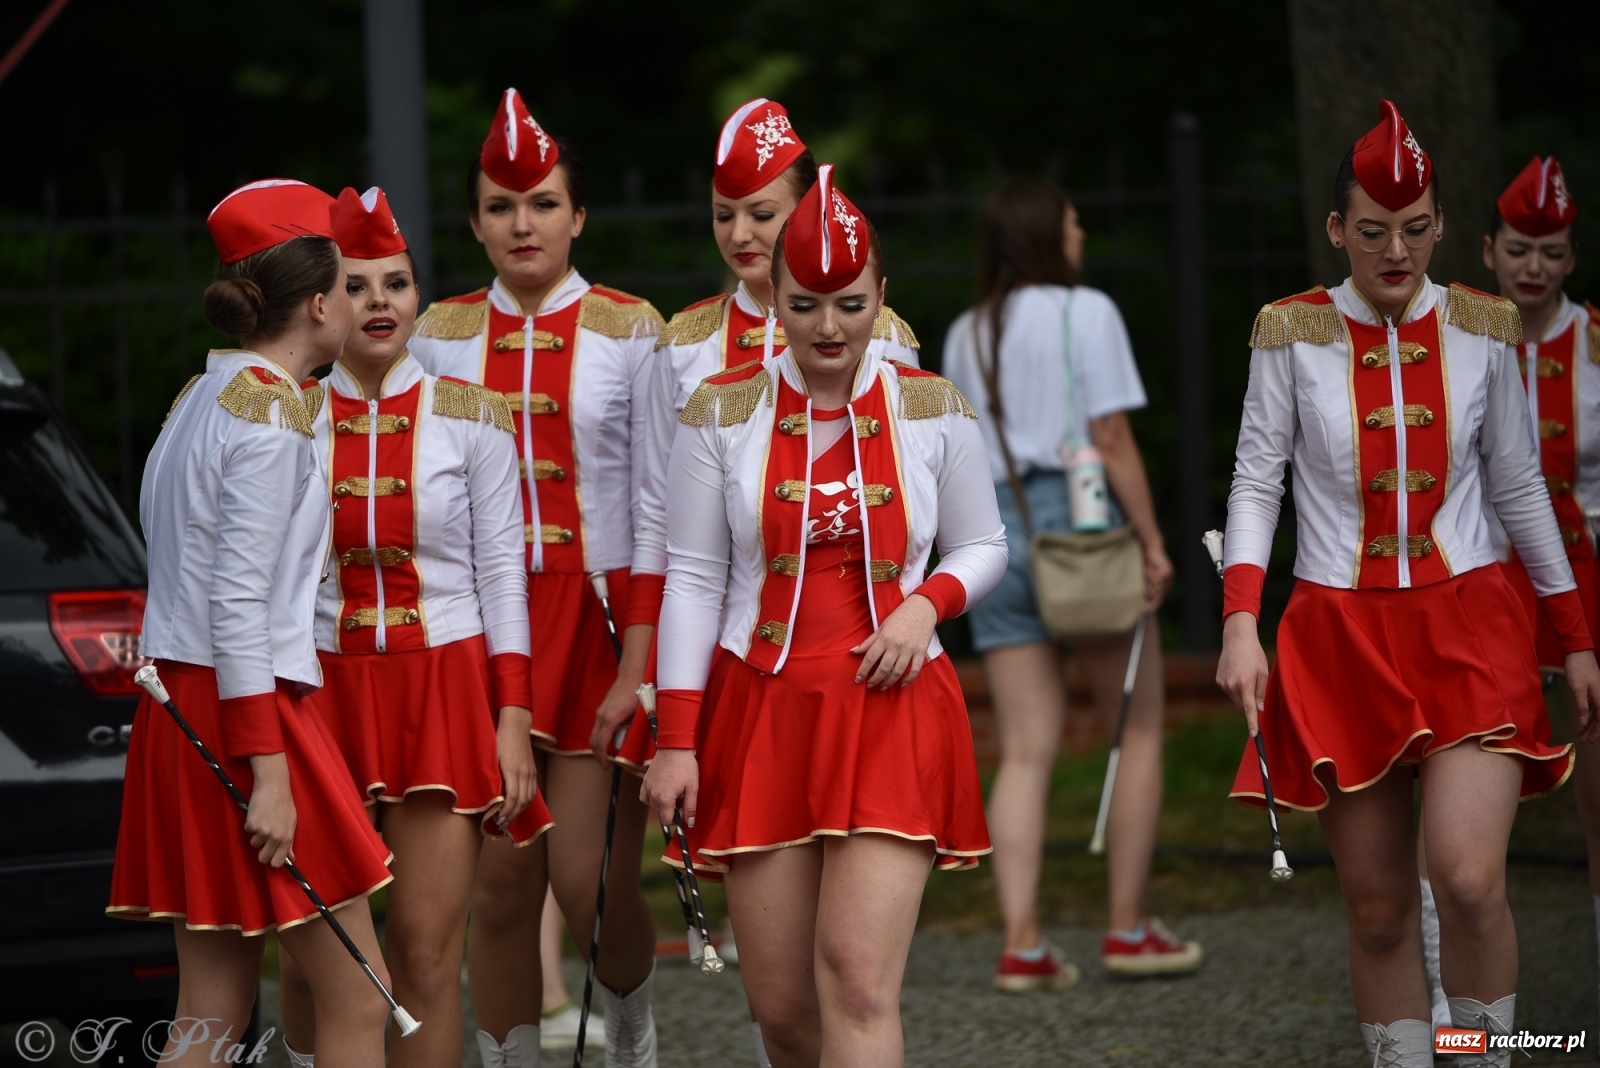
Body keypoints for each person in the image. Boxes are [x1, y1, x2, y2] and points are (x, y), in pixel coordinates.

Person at [1216, 100, 1600, 1067]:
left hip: (1469, 621)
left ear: (1439, 223)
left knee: (1468, 880)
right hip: (1336, 630)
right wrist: (1238, 624)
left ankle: (1478, 1059)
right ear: (1339, 230)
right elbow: (1257, 483)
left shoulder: (1481, 323)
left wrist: (1577, 633)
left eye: (1418, 230)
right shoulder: (1289, 332)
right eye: (1376, 232)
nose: (1399, 251)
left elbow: (1518, 487)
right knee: (1381, 910)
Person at [641, 166, 1006, 1068]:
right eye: (806, 305)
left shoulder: (932, 407)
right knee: (783, 1010)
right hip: (762, 712)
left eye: (850, 303)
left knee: (855, 978)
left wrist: (928, 605)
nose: (829, 327)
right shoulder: (722, 410)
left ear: (882, 295)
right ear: (778, 301)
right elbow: (689, 578)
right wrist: (677, 739)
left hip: (892, 710)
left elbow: (986, 544)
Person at [107, 180, 394, 1066]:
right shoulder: (269, 423)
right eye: (350, 286)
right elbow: (236, 604)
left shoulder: (200, 398)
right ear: (316, 304)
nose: (362, 302)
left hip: (189, 708)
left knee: (210, 1011)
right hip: (247, 716)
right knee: (360, 997)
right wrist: (268, 772)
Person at [408, 88, 662, 1068]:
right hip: (483, 634)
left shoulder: (632, 328)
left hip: (598, 624)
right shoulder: (434, 331)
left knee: (588, 889)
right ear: (474, 222)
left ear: (578, 215)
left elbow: (653, 509)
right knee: (502, 890)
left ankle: (632, 1033)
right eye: (502, 207)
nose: (523, 224)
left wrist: (640, 657)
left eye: (543, 203)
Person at [273, 186, 554, 1068]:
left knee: (427, 958)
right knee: (314, 959)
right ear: (324, 304)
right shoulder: (286, 417)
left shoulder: (473, 417)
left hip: (443, 687)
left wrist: (512, 717)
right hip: (319, 693)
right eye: (358, 286)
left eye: (397, 283)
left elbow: (505, 576)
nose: (382, 302)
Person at [942, 178, 1203, 989]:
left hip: (996, 534)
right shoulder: (1086, 313)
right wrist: (1153, 541)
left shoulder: (963, 332)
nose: (1082, 230)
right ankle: (1125, 928)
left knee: (1023, 748)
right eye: (1073, 219)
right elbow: (1112, 434)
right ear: (1047, 236)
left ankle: (1021, 941)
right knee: (1139, 727)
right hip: (1083, 527)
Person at [1472, 156, 1600, 1022]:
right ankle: (1462, 989)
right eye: (1520, 248)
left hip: (1587, 571)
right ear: (1488, 250)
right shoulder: (1458, 334)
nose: (1535, 268)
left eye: (1552, 252)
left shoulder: (1598, 338)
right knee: (1474, 782)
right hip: (1484, 575)